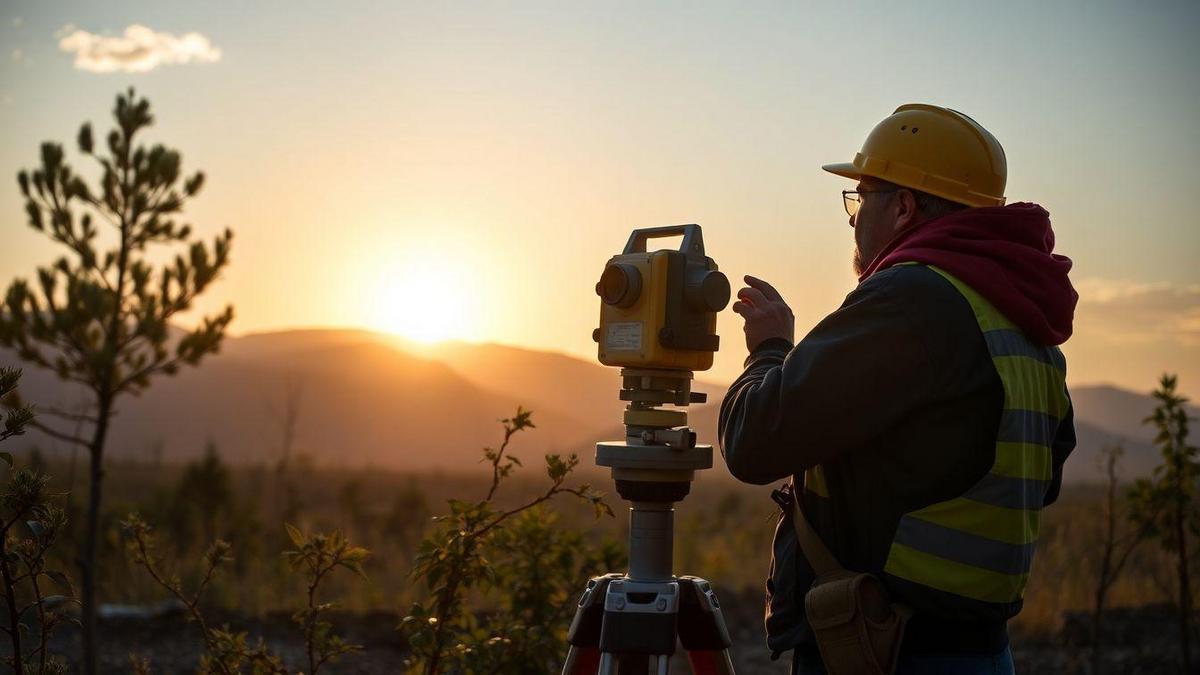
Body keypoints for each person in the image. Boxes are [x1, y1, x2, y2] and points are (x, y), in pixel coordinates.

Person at [719, 104, 1077, 675]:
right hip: (980, 649)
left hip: (887, 648)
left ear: (904, 206)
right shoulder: (1022, 318)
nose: (855, 218)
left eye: (861, 198)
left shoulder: (911, 299)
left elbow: (752, 440)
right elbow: (1035, 476)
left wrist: (769, 349)